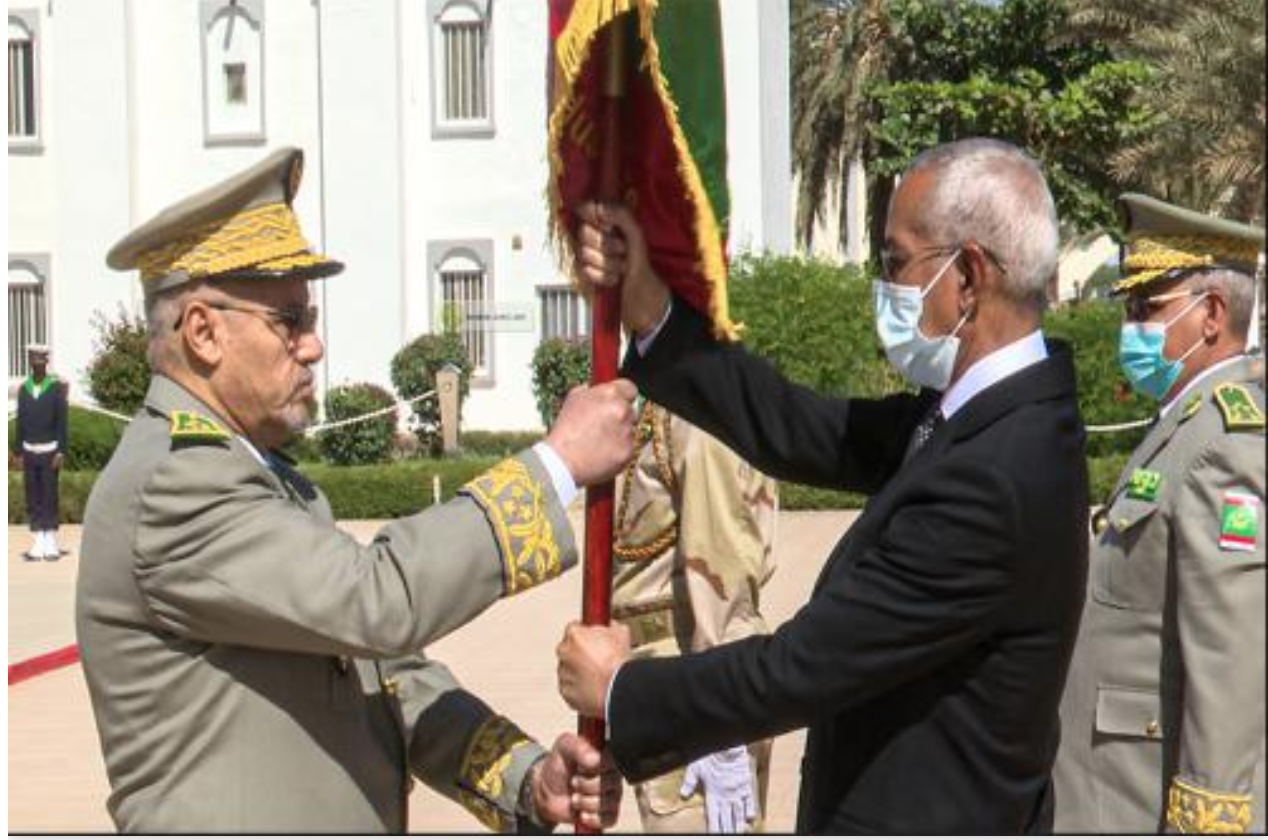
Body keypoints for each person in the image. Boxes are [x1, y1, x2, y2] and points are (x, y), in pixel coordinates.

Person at [76, 147, 634, 833]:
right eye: (290, 321)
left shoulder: (261, 476)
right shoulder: (175, 484)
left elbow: (385, 671)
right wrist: (557, 463)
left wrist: (525, 778)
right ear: (203, 331)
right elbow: (379, 602)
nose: (312, 346)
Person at [556, 137, 1091, 833]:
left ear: (968, 276)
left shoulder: (994, 475)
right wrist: (653, 309)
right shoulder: (989, 416)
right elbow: (800, 430)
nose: (888, 285)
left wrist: (622, 690)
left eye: (897, 261)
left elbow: (799, 669)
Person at [1053, 194, 1265, 833]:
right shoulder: (1186, 424)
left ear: (1212, 316)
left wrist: (1212, 820)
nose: (1132, 325)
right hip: (1113, 780)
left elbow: (1230, 654)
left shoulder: (1226, 445)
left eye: (1148, 308)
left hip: (1143, 794)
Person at [611, 399, 777, 833]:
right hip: (671, 668)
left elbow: (721, 571)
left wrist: (719, 731)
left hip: (695, 672)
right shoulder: (666, 402)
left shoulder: (696, 414)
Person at [12, 343, 69, 561]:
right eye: (34, 361)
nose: (37, 365)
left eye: (41, 361)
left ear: (46, 363)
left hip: (49, 452)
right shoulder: (24, 390)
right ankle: (38, 541)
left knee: (49, 494)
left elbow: (62, 422)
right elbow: (20, 422)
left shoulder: (55, 389)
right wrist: (17, 451)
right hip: (29, 451)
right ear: (30, 363)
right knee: (33, 495)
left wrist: (61, 450)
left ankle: (51, 540)